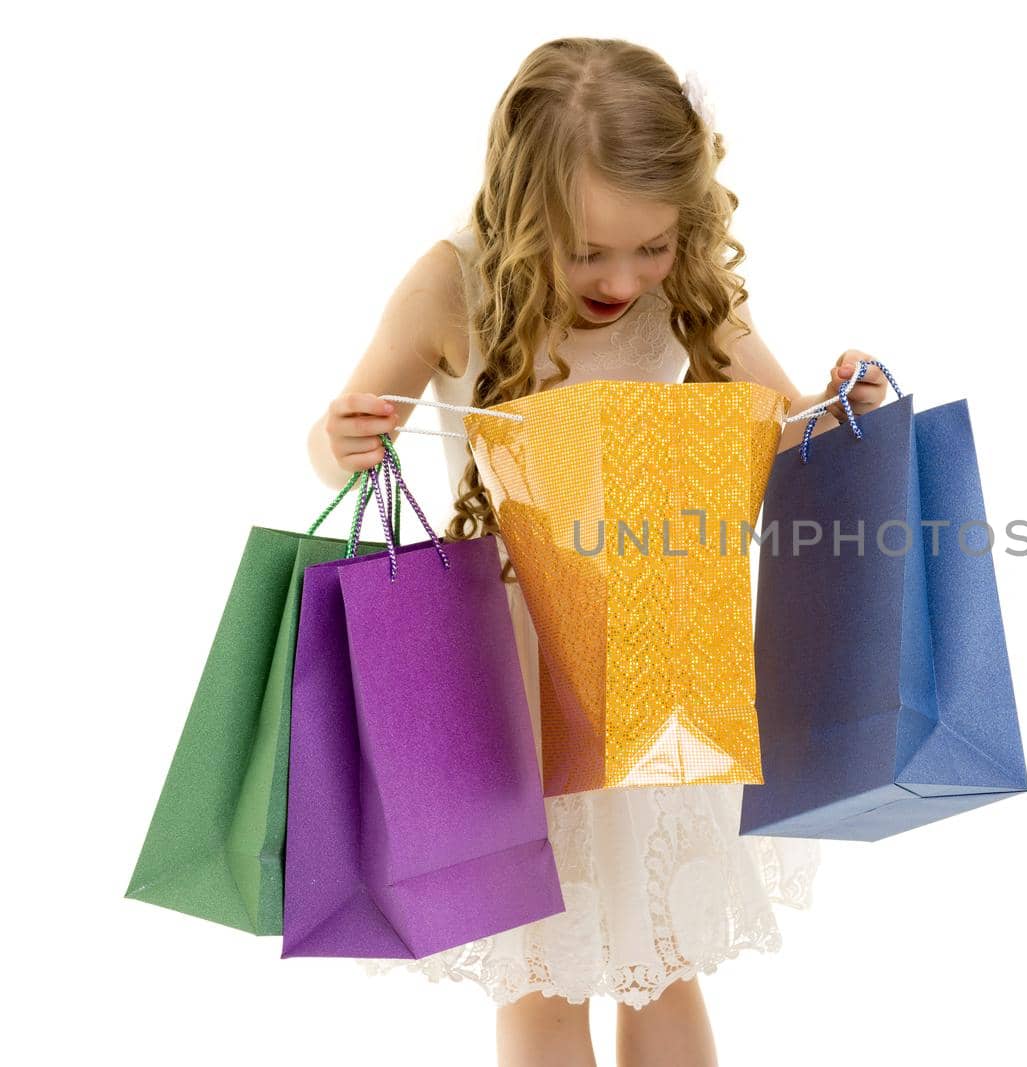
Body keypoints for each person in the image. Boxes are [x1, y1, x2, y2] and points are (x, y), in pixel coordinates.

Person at [305, 37, 891, 1067]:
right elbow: (342, 439)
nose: (624, 277)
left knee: (662, 952)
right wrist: (342, 437)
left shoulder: (691, 282)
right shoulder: (452, 283)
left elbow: (782, 425)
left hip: (655, 642)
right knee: (541, 967)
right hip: (513, 664)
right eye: (587, 253)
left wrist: (842, 403)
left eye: (651, 247)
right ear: (523, 208)